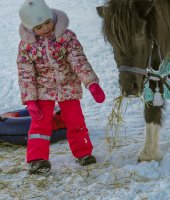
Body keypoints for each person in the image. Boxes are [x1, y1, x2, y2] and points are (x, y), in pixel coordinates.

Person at [17, 0, 105, 175]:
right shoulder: (26, 46)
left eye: (47, 22)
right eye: (39, 26)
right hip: (42, 89)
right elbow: (25, 73)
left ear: (52, 17)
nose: (45, 28)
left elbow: (78, 60)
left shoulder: (66, 36)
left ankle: (83, 153)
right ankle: (37, 159)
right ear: (30, 28)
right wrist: (30, 100)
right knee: (40, 124)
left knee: (75, 120)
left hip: (68, 86)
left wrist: (91, 83)